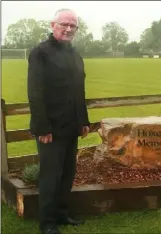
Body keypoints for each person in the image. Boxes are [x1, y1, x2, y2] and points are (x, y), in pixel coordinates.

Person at [27, 9, 90, 234]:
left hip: (71, 126)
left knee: (67, 174)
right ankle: (47, 223)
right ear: (53, 24)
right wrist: (42, 127)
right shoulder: (40, 53)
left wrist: (83, 121)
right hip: (50, 129)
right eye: (64, 24)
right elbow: (35, 92)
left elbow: (79, 90)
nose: (69, 29)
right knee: (50, 177)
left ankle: (62, 214)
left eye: (73, 25)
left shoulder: (75, 55)